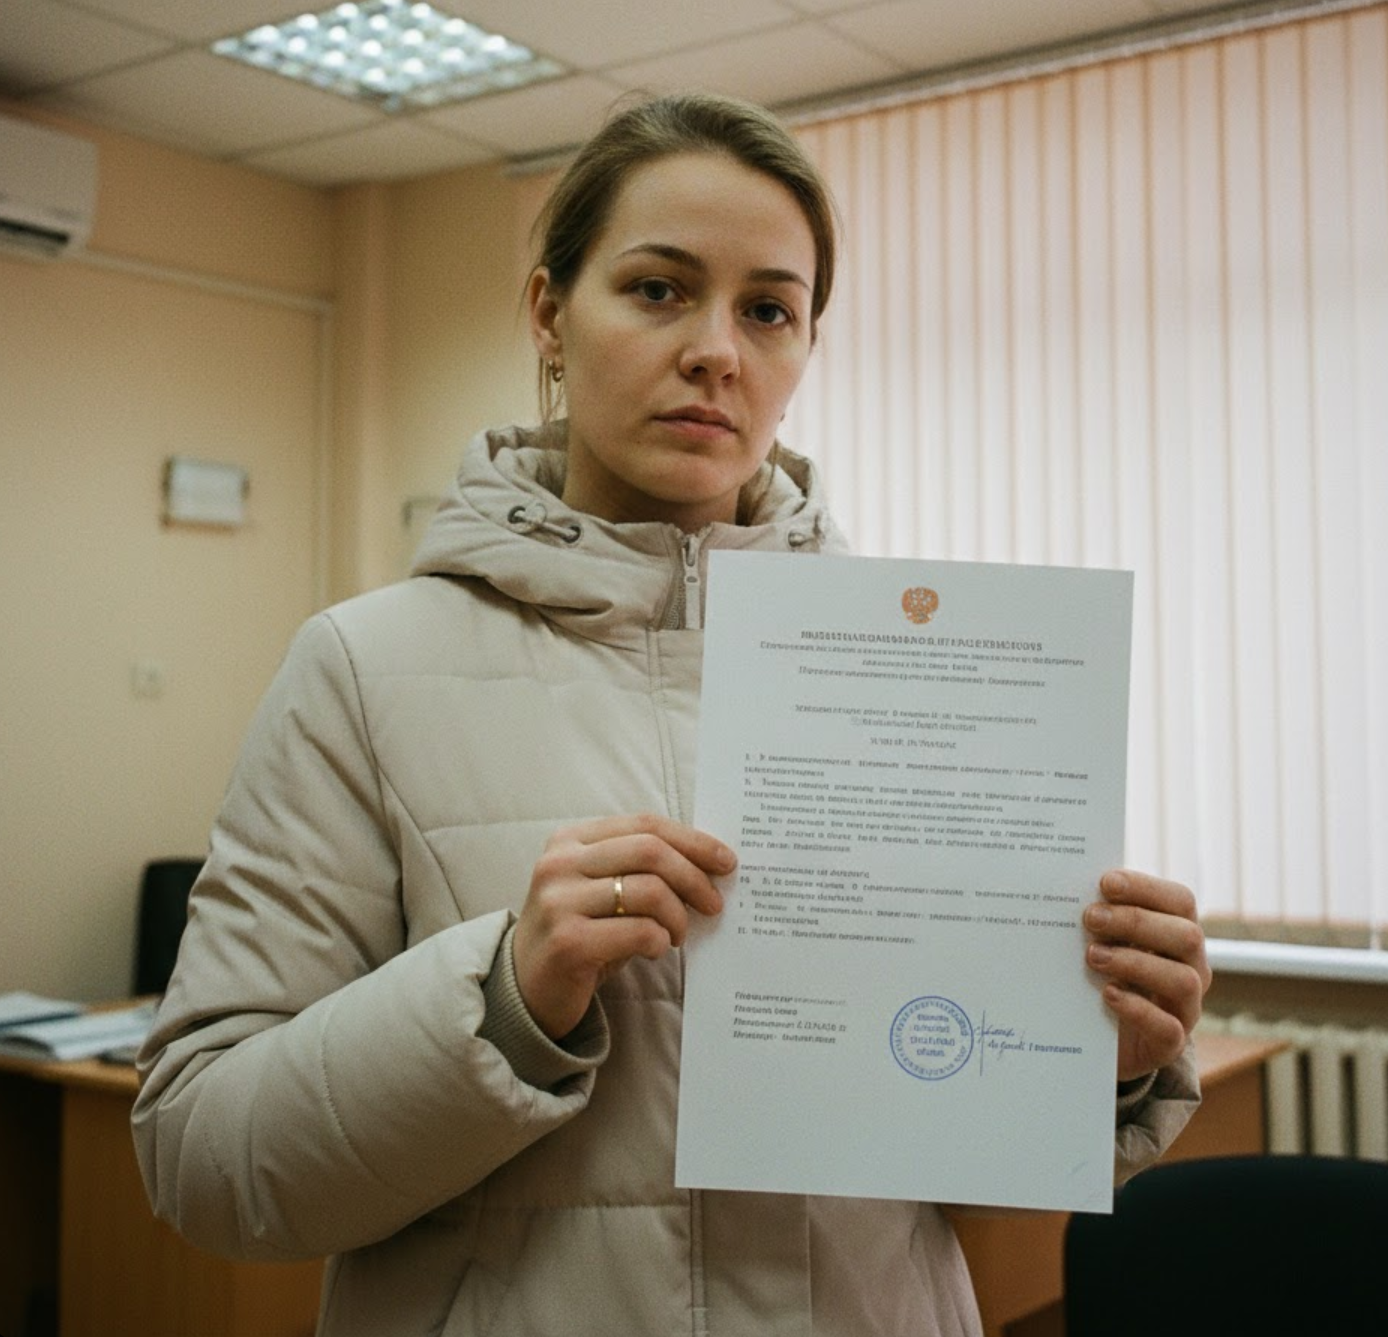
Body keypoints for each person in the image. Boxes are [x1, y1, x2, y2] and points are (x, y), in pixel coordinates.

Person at [132, 92, 1209, 1336]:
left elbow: (942, 1128)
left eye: (768, 310)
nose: (715, 350)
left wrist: (1090, 1056)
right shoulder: (363, 670)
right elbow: (201, 1154)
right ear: (549, 312)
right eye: (657, 289)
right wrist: (504, 995)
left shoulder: (916, 678)